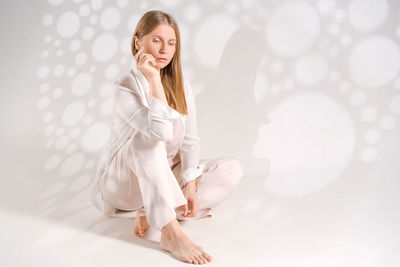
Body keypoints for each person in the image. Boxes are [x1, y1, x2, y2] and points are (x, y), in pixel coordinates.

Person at [90, 10, 243, 265]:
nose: (164, 50)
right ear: (138, 42)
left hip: (160, 176)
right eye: (156, 40)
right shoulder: (124, 88)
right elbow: (158, 134)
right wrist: (153, 79)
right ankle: (170, 231)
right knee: (146, 142)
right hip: (124, 184)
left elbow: (190, 140)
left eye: (171, 43)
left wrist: (191, 185)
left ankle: (152, 213)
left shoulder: (182, 84)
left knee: (230, 169)